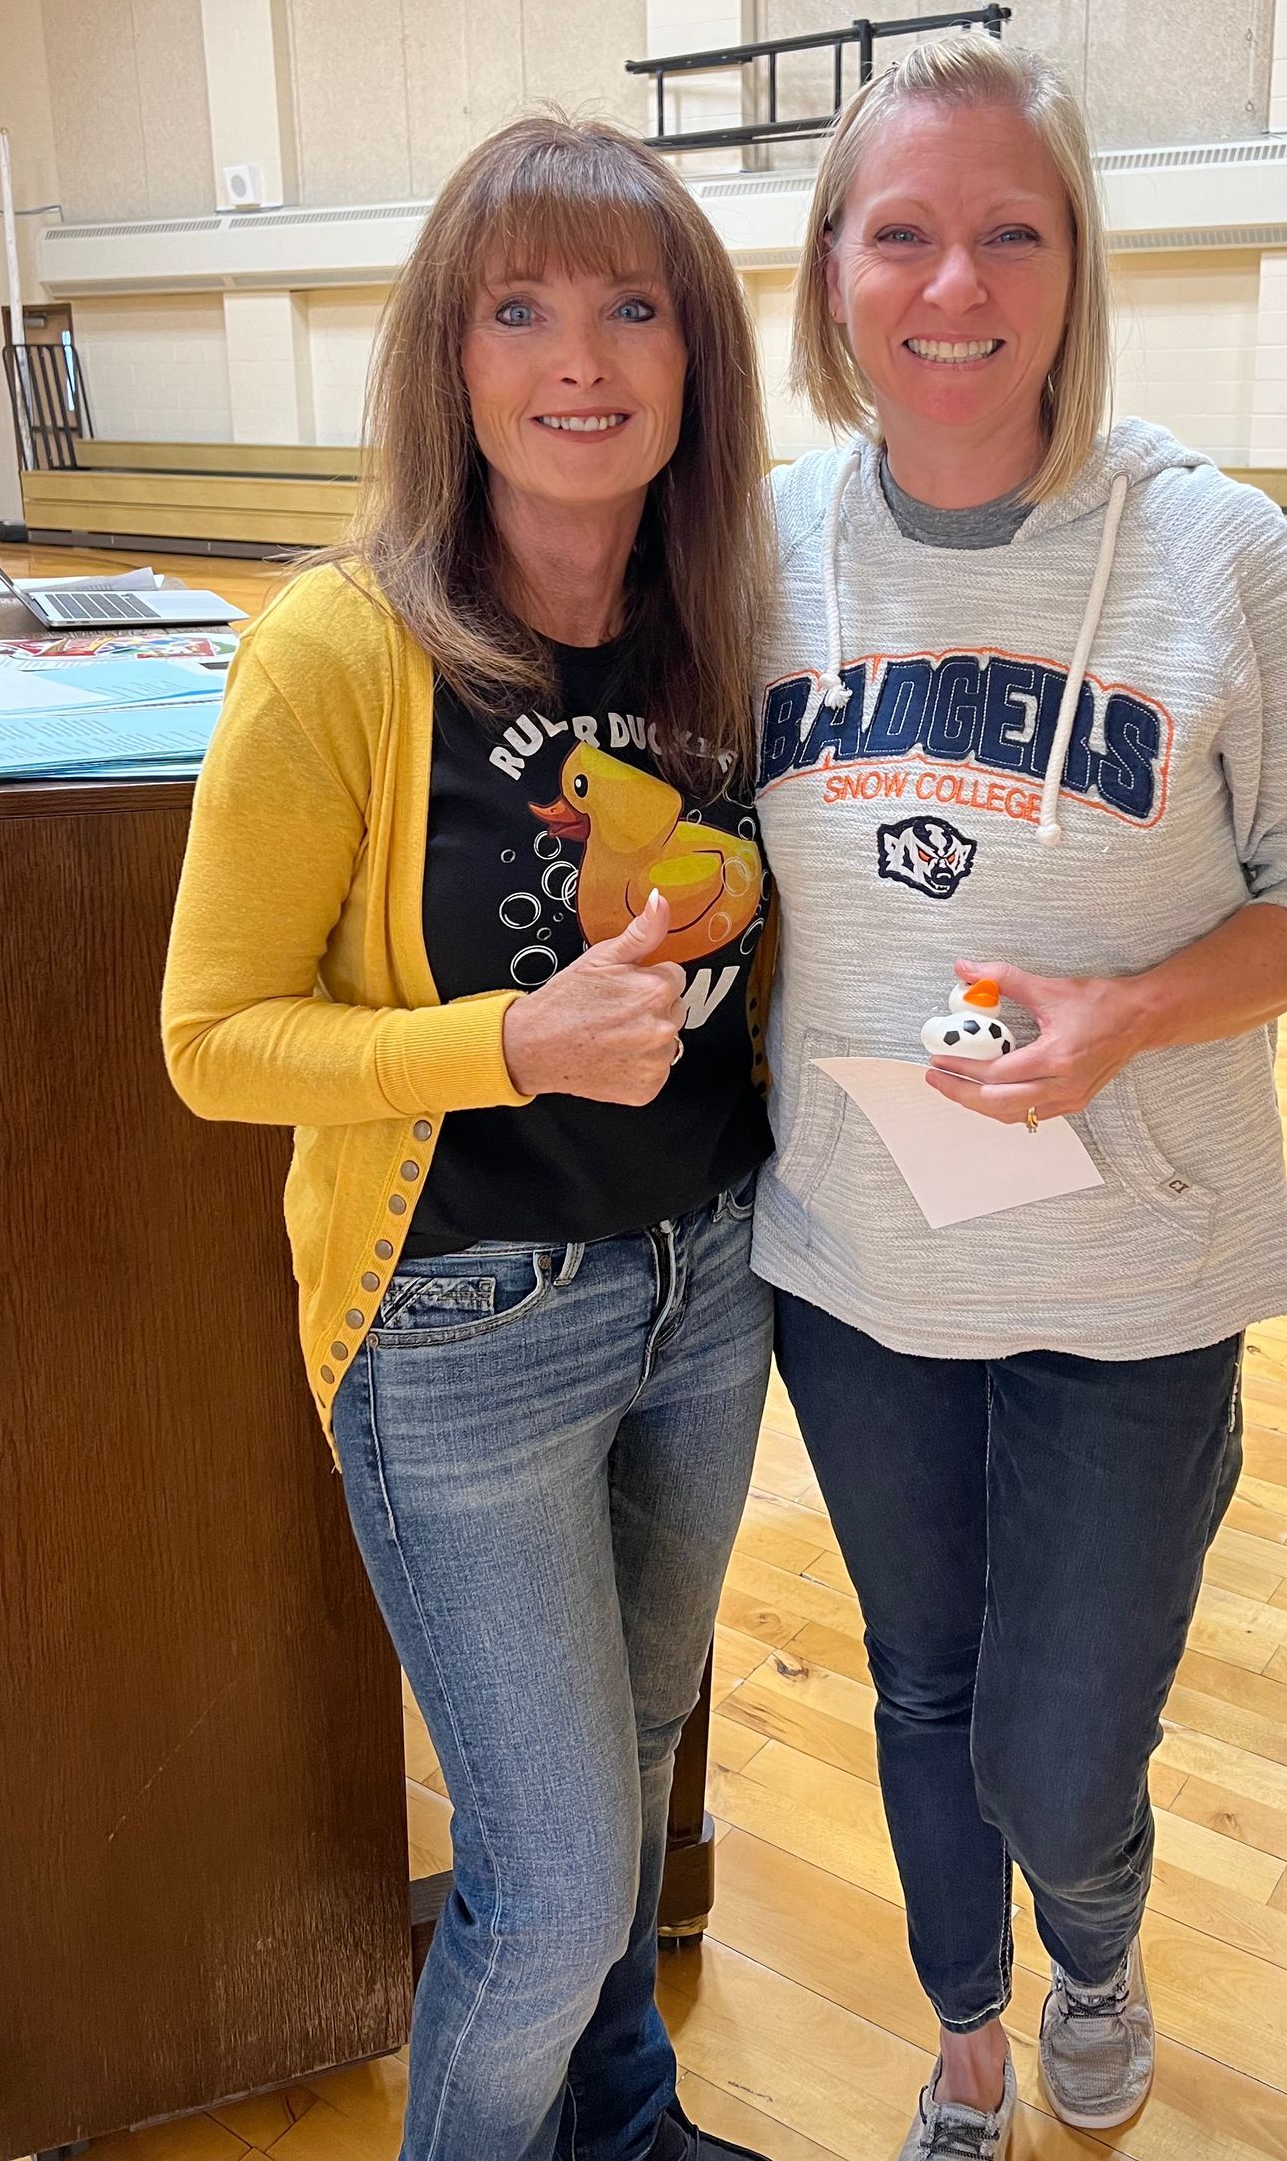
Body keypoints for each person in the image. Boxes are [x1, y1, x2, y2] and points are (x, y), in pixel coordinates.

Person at [753, 35, 1287, 2160]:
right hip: (861, 1264)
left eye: (1010, 230)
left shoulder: (1220, 554)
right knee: (921, 1680)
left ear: (1075, 265)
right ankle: (968, 2021)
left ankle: (1099, 1944)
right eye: (905, 231)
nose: (958, 281)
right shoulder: (750, 550)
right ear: (836, 273)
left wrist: (1131, 1008)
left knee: (1056, 1743)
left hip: (1139, 1264)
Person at [162, 117, 778, 2161]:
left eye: (631, 305)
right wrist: (509, 1037)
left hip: (708, 1295)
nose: (576, 354)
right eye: (517, 305)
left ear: (694, 362)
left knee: (638, 1765)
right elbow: (211, 1040)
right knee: (548, 1887)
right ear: (449, 356)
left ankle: (626, 2125)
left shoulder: (720, 633)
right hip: (460, 1332)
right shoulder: (340, 644)